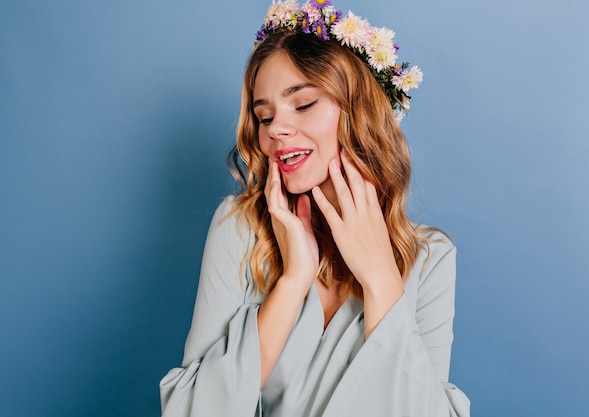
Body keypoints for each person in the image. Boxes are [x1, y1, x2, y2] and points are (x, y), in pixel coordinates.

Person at [159, 1, 470, 416]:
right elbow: (191, 411)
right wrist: (293, 279)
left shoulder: (430, 259)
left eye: (303, 104)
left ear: (360, 115)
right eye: (264, 116)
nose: (276, 130)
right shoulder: (240, 229)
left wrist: (380, 280)